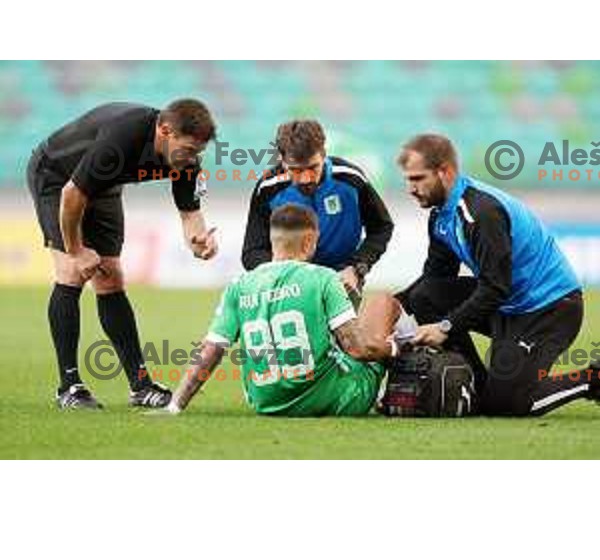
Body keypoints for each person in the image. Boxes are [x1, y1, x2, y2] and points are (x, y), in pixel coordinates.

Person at [27, 99, 219, 410]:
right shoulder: (123, 137)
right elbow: (72, 194)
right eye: (186, 150)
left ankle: (140, 385)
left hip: (102, 186)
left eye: (197, 153)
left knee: (111, 278)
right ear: (165, 130)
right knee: (72, 272)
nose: (191, 159)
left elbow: (190, 215)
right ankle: (69, 386)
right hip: (56, 176)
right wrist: (76, 249)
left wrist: (198, 241)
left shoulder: (186, 162)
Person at [396, 133, 599, 416]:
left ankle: (591, 380)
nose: (410, 188)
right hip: (508, 305)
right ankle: (476, 387)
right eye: (407, 179)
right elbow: (435, 278)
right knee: (425, 296)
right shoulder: (441, 215)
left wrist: (445, 327)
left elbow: (495, 288)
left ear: (446, 172)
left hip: (549, 309)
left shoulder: (482, 213)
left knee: (510, 405)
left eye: (418, 179)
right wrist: (392, 307)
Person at [166, 204, 395, 417]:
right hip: (334, 399)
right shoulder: (324, 278)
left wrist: (175, 405)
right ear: (308, 241)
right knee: (383, 303)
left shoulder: (239, 286)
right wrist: (394, 349)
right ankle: (391, 393)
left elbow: (210, 351)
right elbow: (357, 349)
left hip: (268, 404)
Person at [241, 119, 394, 298]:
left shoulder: (351, 179)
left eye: (313, 167)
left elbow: (381, 227)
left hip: (341, 280)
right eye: (296, 170)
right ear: (282, 161)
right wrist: (281, 276)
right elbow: (252, 251)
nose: (306, 178)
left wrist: (357, 268)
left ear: (323, 154)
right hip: (287, 285)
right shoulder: (268, 188)